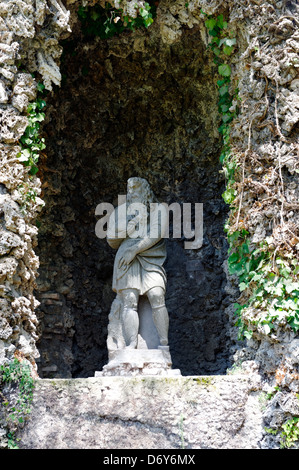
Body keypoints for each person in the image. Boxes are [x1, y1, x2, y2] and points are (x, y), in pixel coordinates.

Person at [107, 177, 169, 349]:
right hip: (126, 260)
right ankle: (131, 344)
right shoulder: (120, 212)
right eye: (129, 188)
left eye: (135, 188)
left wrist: (134, 249)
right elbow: (111, 239)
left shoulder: (159, 210)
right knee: (129, 299)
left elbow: (156, 233)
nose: (132, 192)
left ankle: (164, 345)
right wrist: (128, 227)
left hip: (151, 258)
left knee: (157, 294)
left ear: (146, 190)